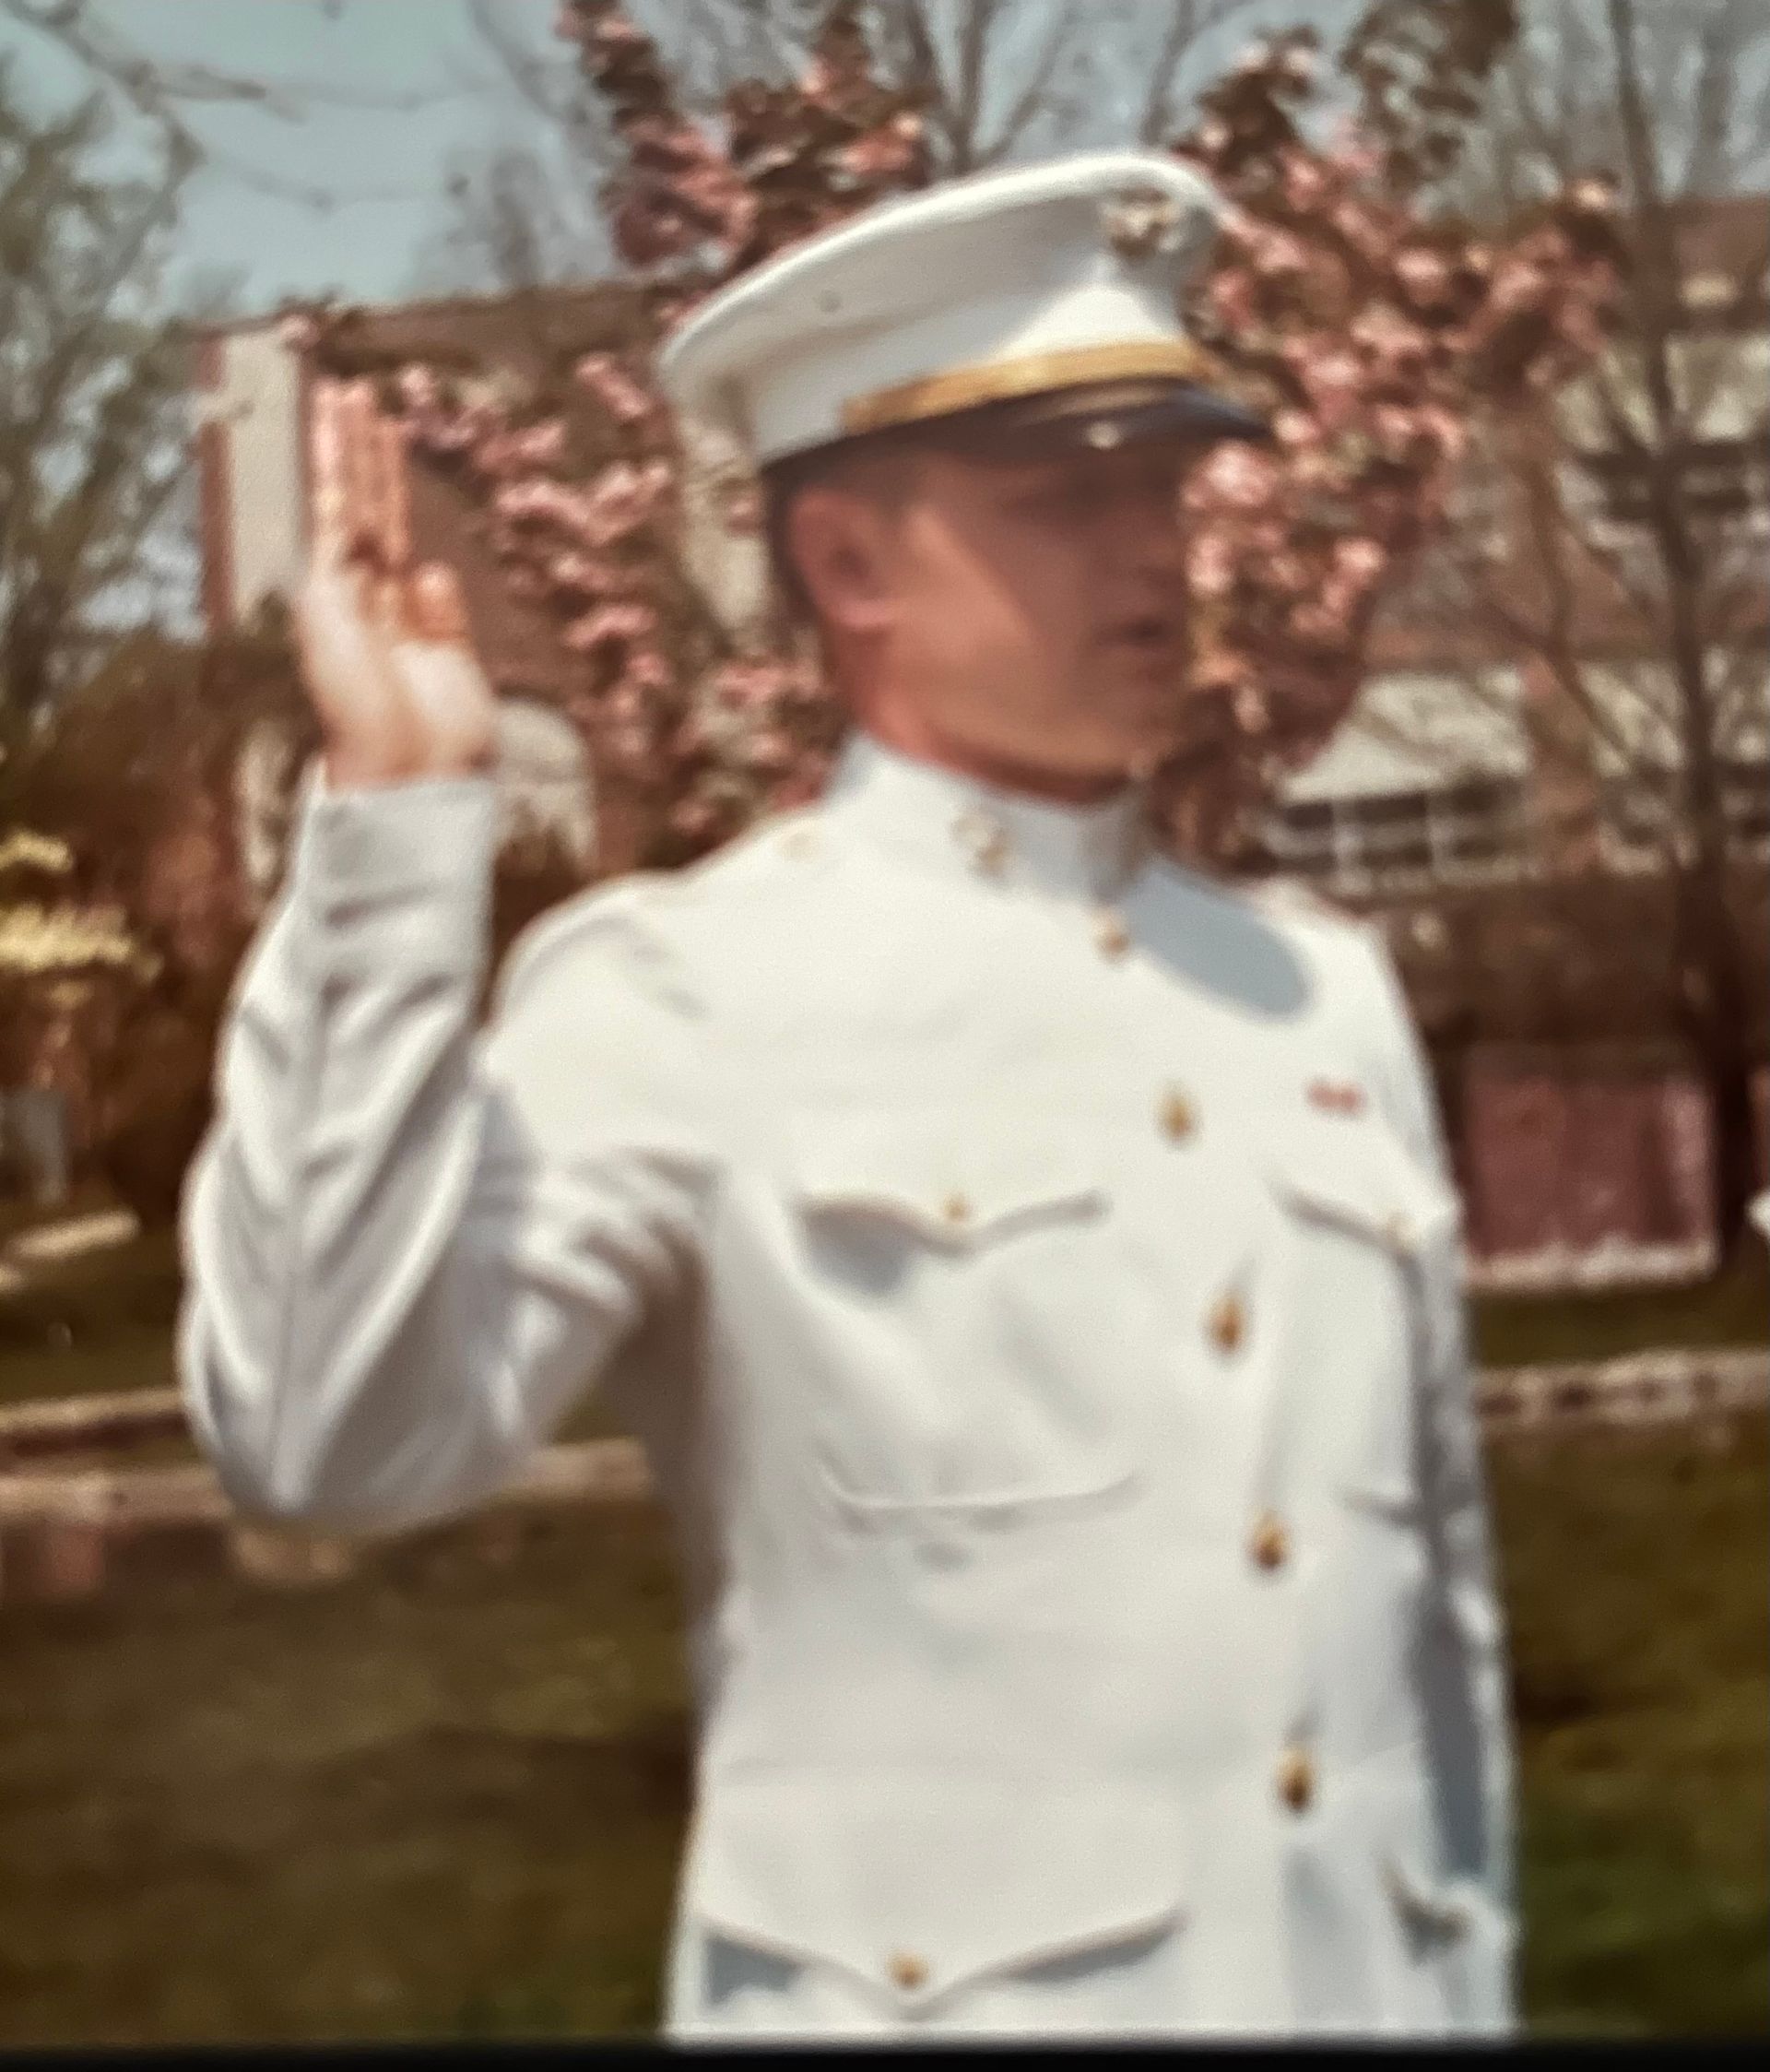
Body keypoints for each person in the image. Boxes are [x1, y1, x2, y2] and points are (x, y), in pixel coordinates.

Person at [178, 149, 1517, 2042]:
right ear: (849, 565)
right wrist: (398, 821)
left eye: (1164, 485)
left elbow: (1431, 1668)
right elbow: (322, 1435)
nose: (1156, 549)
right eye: (1068, 499)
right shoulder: (691, 994)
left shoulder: (1320, 992)